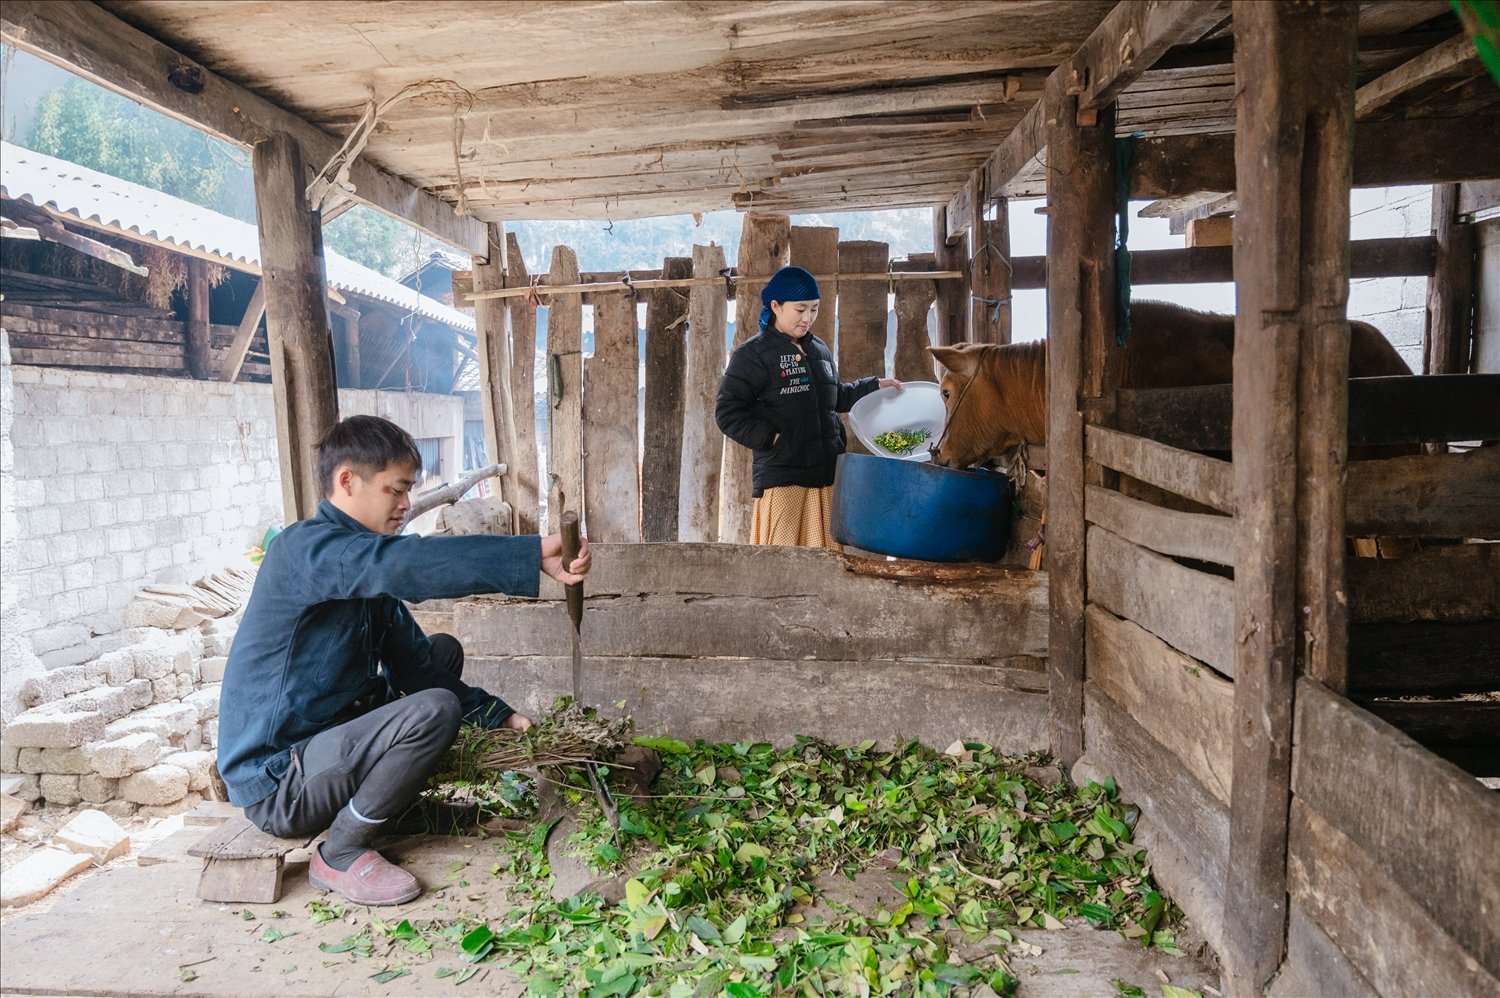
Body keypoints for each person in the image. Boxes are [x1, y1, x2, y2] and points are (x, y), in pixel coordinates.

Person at [217, 415, 590, 906]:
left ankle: (388, 806)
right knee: (435, 709)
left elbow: (418, 668)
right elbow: (406, 563)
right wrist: (531, 553)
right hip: (280, 780)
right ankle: (342, 850)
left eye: (408, 490)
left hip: (326, 749)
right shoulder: (302, 550)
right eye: (396, 490)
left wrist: (502, 716)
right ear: (347, 480)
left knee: (439, 655)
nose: (405, 505)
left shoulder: (365, 573)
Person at [715, 265, 900, 547]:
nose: (808, 318)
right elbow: (727, 412)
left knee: (827, 560)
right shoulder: (752, 354)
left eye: (814, 309)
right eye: (800, 309)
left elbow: (835, 398)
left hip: (826, 477)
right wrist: (771, 438)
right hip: (784, 479)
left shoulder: (819, 350)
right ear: (775, 306)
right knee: (784, 564)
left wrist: (873, 386)